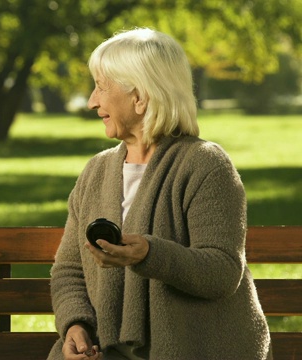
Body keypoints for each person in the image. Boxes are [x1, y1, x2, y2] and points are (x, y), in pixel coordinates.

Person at [48, 28, 271, 360]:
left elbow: (222, 272)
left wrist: (148, 254)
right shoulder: (96, 171)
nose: (93, 101)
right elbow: (69, 270)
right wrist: (75, 327)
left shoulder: (206, 165)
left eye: (102, 86)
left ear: (140, 96)